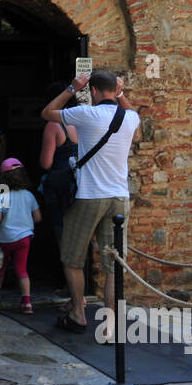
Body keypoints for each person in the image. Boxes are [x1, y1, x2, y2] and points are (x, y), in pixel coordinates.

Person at [40, 69, 140, 337]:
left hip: (88, 195)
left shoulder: (86, 114)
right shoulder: (130, 117)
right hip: (119, 197)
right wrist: (122, 95)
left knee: (72, 258)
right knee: (113, 264)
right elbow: (137, 127)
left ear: (93, 91)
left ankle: (78, 314)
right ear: (115, 90)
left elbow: (48, 113)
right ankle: (111, 325)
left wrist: (72, 88)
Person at [0, 157, 41, 314]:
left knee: (2, 267)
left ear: (3, 179)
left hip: (6, 238)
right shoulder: (28, 196)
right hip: (24, 238)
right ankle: (27, 302)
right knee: (21, 269)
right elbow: (38, 218)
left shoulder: (3, 196)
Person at [37, 81, 78, 257]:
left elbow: (46, 163)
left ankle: (68, 281)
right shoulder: (81, 121)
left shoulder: (53, 125)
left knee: (62, 233)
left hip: (61, 186)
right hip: (82, 183)